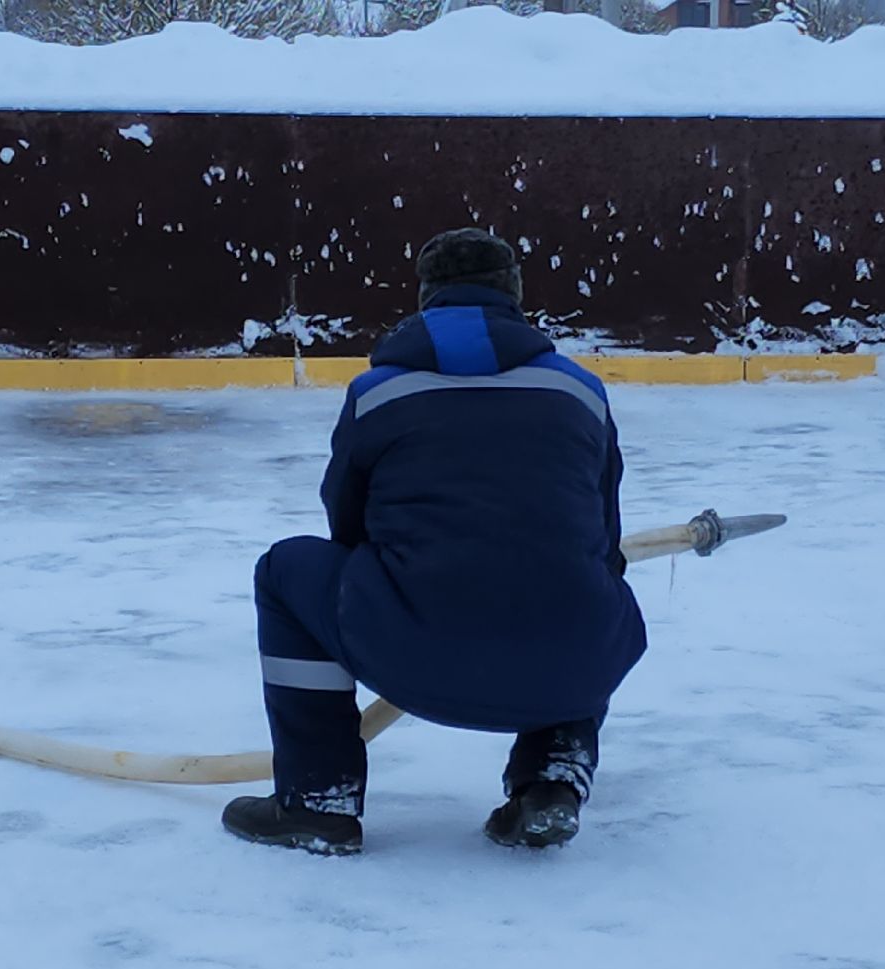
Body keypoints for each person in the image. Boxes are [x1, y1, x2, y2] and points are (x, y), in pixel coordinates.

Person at [221, 228, 647, 856]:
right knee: (578, 579)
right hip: (572, 667)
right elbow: (604, 537)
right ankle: (551, 778)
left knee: (287, 569)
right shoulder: (580, 391)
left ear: (425, 300)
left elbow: (348, 527)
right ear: (516, 298)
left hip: (412, 653)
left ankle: (318, 800)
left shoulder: (378, 394)